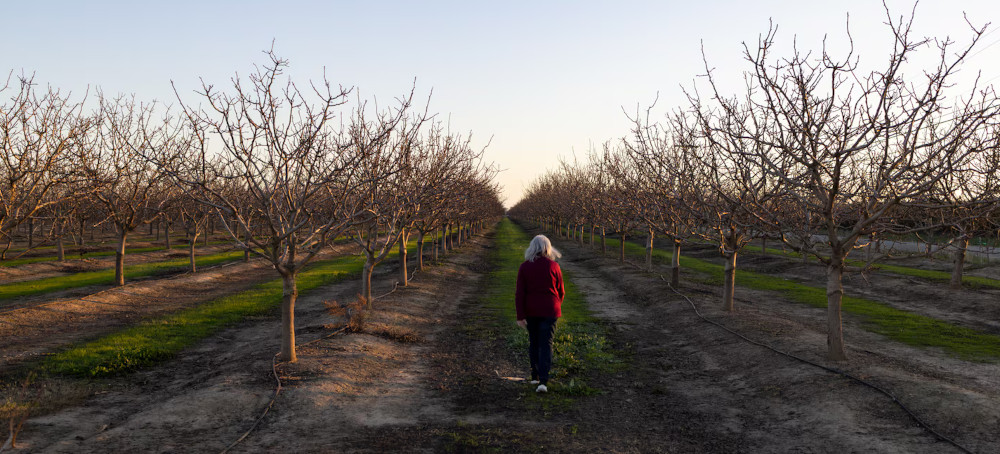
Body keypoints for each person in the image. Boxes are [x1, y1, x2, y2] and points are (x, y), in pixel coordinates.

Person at [514, 234, 564, 393]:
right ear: (548, 248)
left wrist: (520, 315)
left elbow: (520, 293)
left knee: (534, 342)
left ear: (532, 247)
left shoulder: (525, 266)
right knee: (546, 343)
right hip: (550, 310)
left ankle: (535, 376)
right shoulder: (554, 266)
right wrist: (555, 305)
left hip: (532, 311)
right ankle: (543, 381)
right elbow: (561, 291)